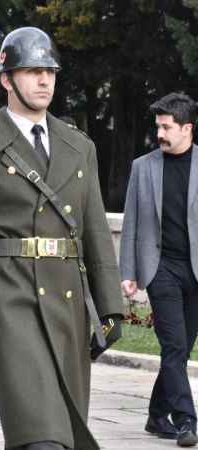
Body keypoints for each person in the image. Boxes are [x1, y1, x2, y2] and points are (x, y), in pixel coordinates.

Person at [0, 27, 125, 450]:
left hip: (67, 304)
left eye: (50, 72)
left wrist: (110, 306)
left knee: (65, 432)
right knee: (39, 437)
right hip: (8, 300)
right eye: (32, 71)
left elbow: (94, 229)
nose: (44, 81)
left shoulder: (79, 146)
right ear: (6, 79)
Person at [120, 92, 198, 446]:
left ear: (187, 128)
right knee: (174, 345)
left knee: (181, 348)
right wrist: (128, 271)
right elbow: (132, 222)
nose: (160, 134)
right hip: (160, 267)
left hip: (195, 271)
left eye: (166, 127)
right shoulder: (143, 166)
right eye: (158, 127)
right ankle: (186, 421)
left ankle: (155, 415)